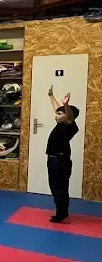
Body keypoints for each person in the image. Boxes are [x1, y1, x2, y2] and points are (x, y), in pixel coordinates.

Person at [45, 85, 79, 223]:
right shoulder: (61, 123)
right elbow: (57, 108)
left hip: (60, 161)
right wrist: (51, 96)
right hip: (53, 159)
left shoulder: (70, 126)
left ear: (68, 116)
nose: (56, 115)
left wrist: (66, 105)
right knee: (54, 186)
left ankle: (62, 213)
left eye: (60, 114)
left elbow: (69, 116)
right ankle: (60, 210)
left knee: (60, 187)